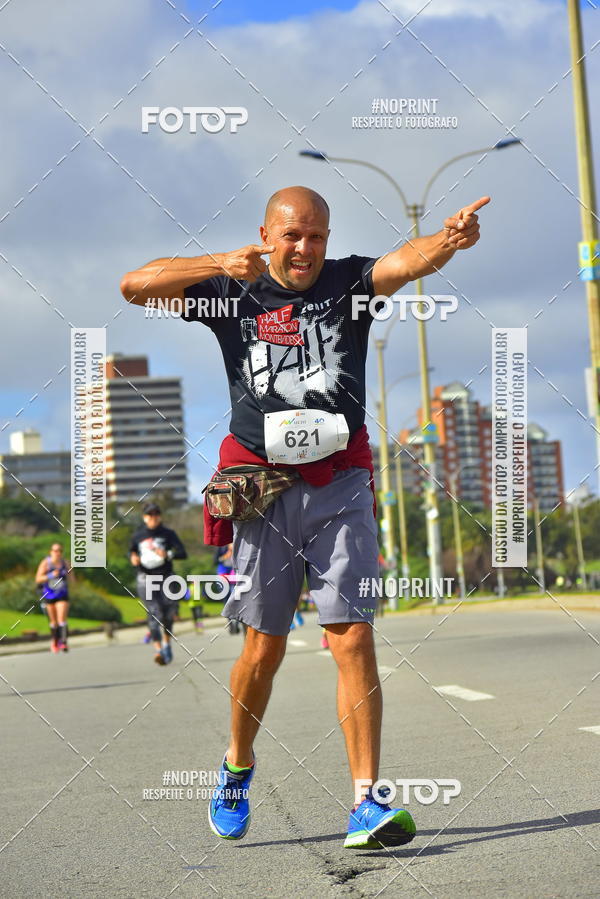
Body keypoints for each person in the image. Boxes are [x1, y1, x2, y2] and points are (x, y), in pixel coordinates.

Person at [121, 185, 488, 848]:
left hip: (340, 480)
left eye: (316, 235)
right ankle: (236, 765)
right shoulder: (231, 292)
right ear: (267, 234)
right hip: (262, 489)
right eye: (292, 235)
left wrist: (449, 239)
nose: (304, 247)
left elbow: (407, 262)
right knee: (264, 646)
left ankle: (366, 803)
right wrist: (219, 262)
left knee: (351, 634)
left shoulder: (350, 282)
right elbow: (133, 286)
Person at [129, 502, 187, 665]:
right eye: (150, 514)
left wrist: (167, 554)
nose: (153, 517)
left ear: (160, 516)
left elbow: (182, 553)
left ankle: (167, 644)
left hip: (166, 577)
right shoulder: (138, 535)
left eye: (156, 514)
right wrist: (132, 557)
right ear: (144, 517)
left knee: (168, 614)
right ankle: (158, 650)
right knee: (154, 612)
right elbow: (132, 550)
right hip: (146, 577)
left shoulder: (168, 534)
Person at [35, 542, 73, 653]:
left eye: (60, 550)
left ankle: (64, 642)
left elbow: (72, 580)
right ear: (51, 552)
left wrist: (68, 573)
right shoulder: (45, 563)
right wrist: (51, 575)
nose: (58, 553)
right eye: (55, 550)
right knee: (53, 621)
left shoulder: (65, 563)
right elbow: (38, 579)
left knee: (62, 619)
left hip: (62, 594)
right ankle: (55, 641)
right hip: (49, 594)